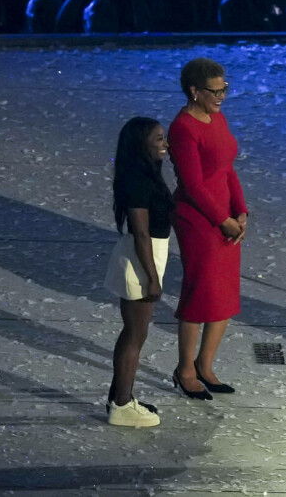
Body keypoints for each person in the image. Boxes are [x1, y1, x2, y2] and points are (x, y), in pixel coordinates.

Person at [168, 57, 249, 401]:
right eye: (214, 91)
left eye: (224, 89)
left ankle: (205, 364)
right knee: (201, 293)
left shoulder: (217, 118)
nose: (221, 97)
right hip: (199, 220)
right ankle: (185, 369)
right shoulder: (183, 128)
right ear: (194, 91)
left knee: (224, 295)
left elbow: (226, 169)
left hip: (225, 216)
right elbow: (193, 185)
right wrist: (223, 220)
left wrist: (241, 210)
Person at [103, 117, 172, 427]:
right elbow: (141, 232)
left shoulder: (145, 173)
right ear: (141, 144)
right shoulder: (138, 180)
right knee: (135, 333)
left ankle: (120, 395)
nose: (165, 144)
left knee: (134, 331)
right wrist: (153, 277)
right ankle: (121, 405)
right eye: (159, 139)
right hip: (143, 258)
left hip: (145, 254)